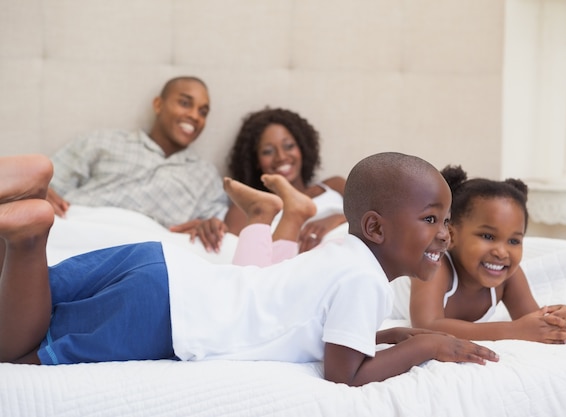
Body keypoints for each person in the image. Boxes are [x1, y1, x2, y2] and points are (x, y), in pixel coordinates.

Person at [0, 152, 499, 387]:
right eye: (432, 219)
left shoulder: (341, 254)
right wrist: (429, 345)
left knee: (34, 300)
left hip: (160, 265)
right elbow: (346, 373)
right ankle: (29, 235)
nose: (444, 234)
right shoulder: (364, 281)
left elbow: (320, 327)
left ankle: (31, 204)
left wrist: (390, 335)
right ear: (375, 227)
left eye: (448, 221)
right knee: (17, 353)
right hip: (167, 314)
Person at [46, 76, 229, 252]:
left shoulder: (205, 175)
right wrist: (40, 192)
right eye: (185, 103)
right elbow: (48, 186)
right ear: (158, 105)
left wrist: (211, 226)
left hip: (147, 253)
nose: (194, 116)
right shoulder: (103, 141)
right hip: (78, 234)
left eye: (203, 112)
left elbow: (217, 227)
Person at [409, 165, 566, 344]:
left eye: (514, 241)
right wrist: (514, 330)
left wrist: (562, 318)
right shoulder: (434, 261)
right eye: (488, 236)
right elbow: (426, 326)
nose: (501, 252)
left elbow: (532, 320)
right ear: (451, 236)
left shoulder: (508, 275)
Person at [221, 107, 346, 254]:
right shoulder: (249, 207)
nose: (281, 157)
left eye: (289, 146)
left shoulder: (335, 185)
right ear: (255, 161)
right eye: (268, 151)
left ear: (302, 148)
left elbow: (376, 215)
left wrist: (339, 218)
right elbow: (235, 257)